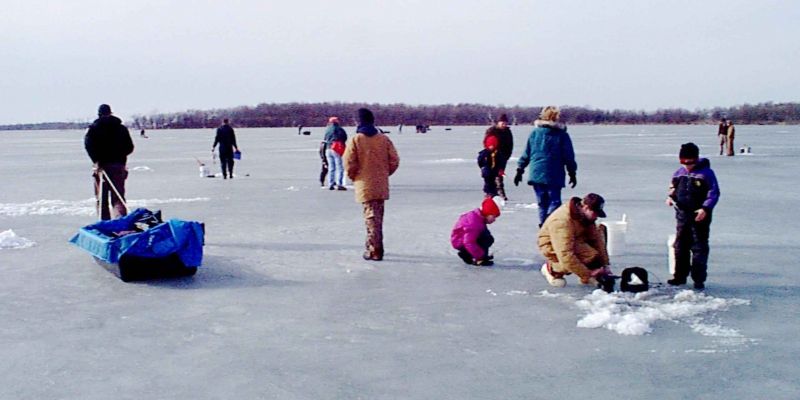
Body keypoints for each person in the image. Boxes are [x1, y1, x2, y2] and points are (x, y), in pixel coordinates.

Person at [344, 108, 400, 261]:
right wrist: (383, 174)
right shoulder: (383, 139)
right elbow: (394, 160)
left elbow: (349, 162)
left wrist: (354, 176)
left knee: (370, 217)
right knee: (377, 217)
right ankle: (374, 246)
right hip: (380, 184)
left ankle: (374, 250)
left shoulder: (357, 139)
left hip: (364, 184)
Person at [666, 143, 720, 290]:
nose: (687, 166)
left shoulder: (706, 173)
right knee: (680, 246)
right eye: (683, 162)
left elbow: (713, 193)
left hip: (699, 216)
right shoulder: (679, 173)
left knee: (699, 247)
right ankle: (679, 276)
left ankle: (698, 279)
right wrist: (670, 197)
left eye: (690, 162)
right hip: (682, 214)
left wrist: (705, 208)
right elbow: (672, 189)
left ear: (696, 159)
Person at [514, 106, 577, 227]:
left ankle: (543, 225)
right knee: (554, 201)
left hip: (536, 172)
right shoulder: (561, 135)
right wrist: (572, 172)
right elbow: (568, 156)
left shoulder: (534, 133)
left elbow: (526, 153)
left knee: (542, 203)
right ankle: (547, 224)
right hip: (554, 173)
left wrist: (520, 169)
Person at [538, 193, 612, 288]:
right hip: (552, 244)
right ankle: (552, 270)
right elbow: (565, 254)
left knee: (594, 248)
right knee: (585, 256)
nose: (596, 217)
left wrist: (604, 264)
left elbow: (596, 240)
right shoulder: (561, 222)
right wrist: (588, 275)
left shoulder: (585, 217)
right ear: (585, 207)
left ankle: (589, 275)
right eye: (595, 213)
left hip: (575, 237)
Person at [83, 104, 134, 220]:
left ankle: (105, 223)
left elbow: (88, 145)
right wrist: (119, 156)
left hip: (102, 167)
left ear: (99, 114)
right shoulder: (121, 128)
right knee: (118, 197)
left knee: (102, 198)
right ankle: (121, 223)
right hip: (118, 166)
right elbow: (129, 147)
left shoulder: (94, 129)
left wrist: (96, 160)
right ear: (111, 113)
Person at [451, 198, 501, 266]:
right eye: (493, 216)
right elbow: (469, 242)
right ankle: (475, 257)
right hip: (460, 242)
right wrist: (481, 257)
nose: (494, 220)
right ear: (487, 213)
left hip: (463, 240)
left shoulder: (479, 217)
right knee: (486, 239)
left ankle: (475, 255)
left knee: (488, 238)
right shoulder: (474, 223)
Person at [484, 114, 514, 200]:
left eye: (505, 123)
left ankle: (500, 193)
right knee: (490, 175)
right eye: (502, 123)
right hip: (492, 156)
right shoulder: (491, 131)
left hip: (503, 157)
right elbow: (486, 142)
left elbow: (510, 145)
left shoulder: (507, 132)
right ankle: (490, 193)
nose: (504, 125)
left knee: (499, 174)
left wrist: (507, 155)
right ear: (498, 123)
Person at [323, 117, 348, 190]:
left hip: (328, 148)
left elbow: (325, 138)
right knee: (339, 166)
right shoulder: (339, 129)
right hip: (336, 148)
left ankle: (331, 183)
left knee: (331, 167)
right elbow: (344, 137)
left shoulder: (327, 129)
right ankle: (339, 183)